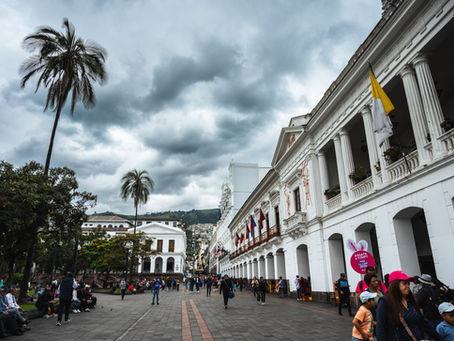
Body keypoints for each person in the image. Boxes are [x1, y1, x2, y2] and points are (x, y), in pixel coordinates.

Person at [376, 270, 439, 340]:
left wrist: (439, 338)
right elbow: (381, 329)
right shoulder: (385, 302)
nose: (408, 286)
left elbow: (423, 322)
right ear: (395, 285)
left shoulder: (410, 300)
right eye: (404, 283)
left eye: (408, 284)